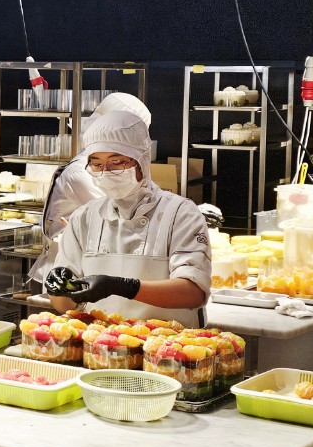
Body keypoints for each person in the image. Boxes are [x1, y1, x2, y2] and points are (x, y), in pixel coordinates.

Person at [43, 110, 211, 327]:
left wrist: (123, 287)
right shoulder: (84, 217)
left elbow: (193, 293)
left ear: (142, 160)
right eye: (96, 164)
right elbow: (65, 306)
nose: (106, 171)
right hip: (102, 342)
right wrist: (57, 288)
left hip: (169, 343)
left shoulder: (180, 213)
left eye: (117, 161)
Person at [29, 93, 152, 281]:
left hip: (98, 265)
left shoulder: (116, 168)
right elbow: (121, 220)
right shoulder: (82, 172)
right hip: (68, 271)